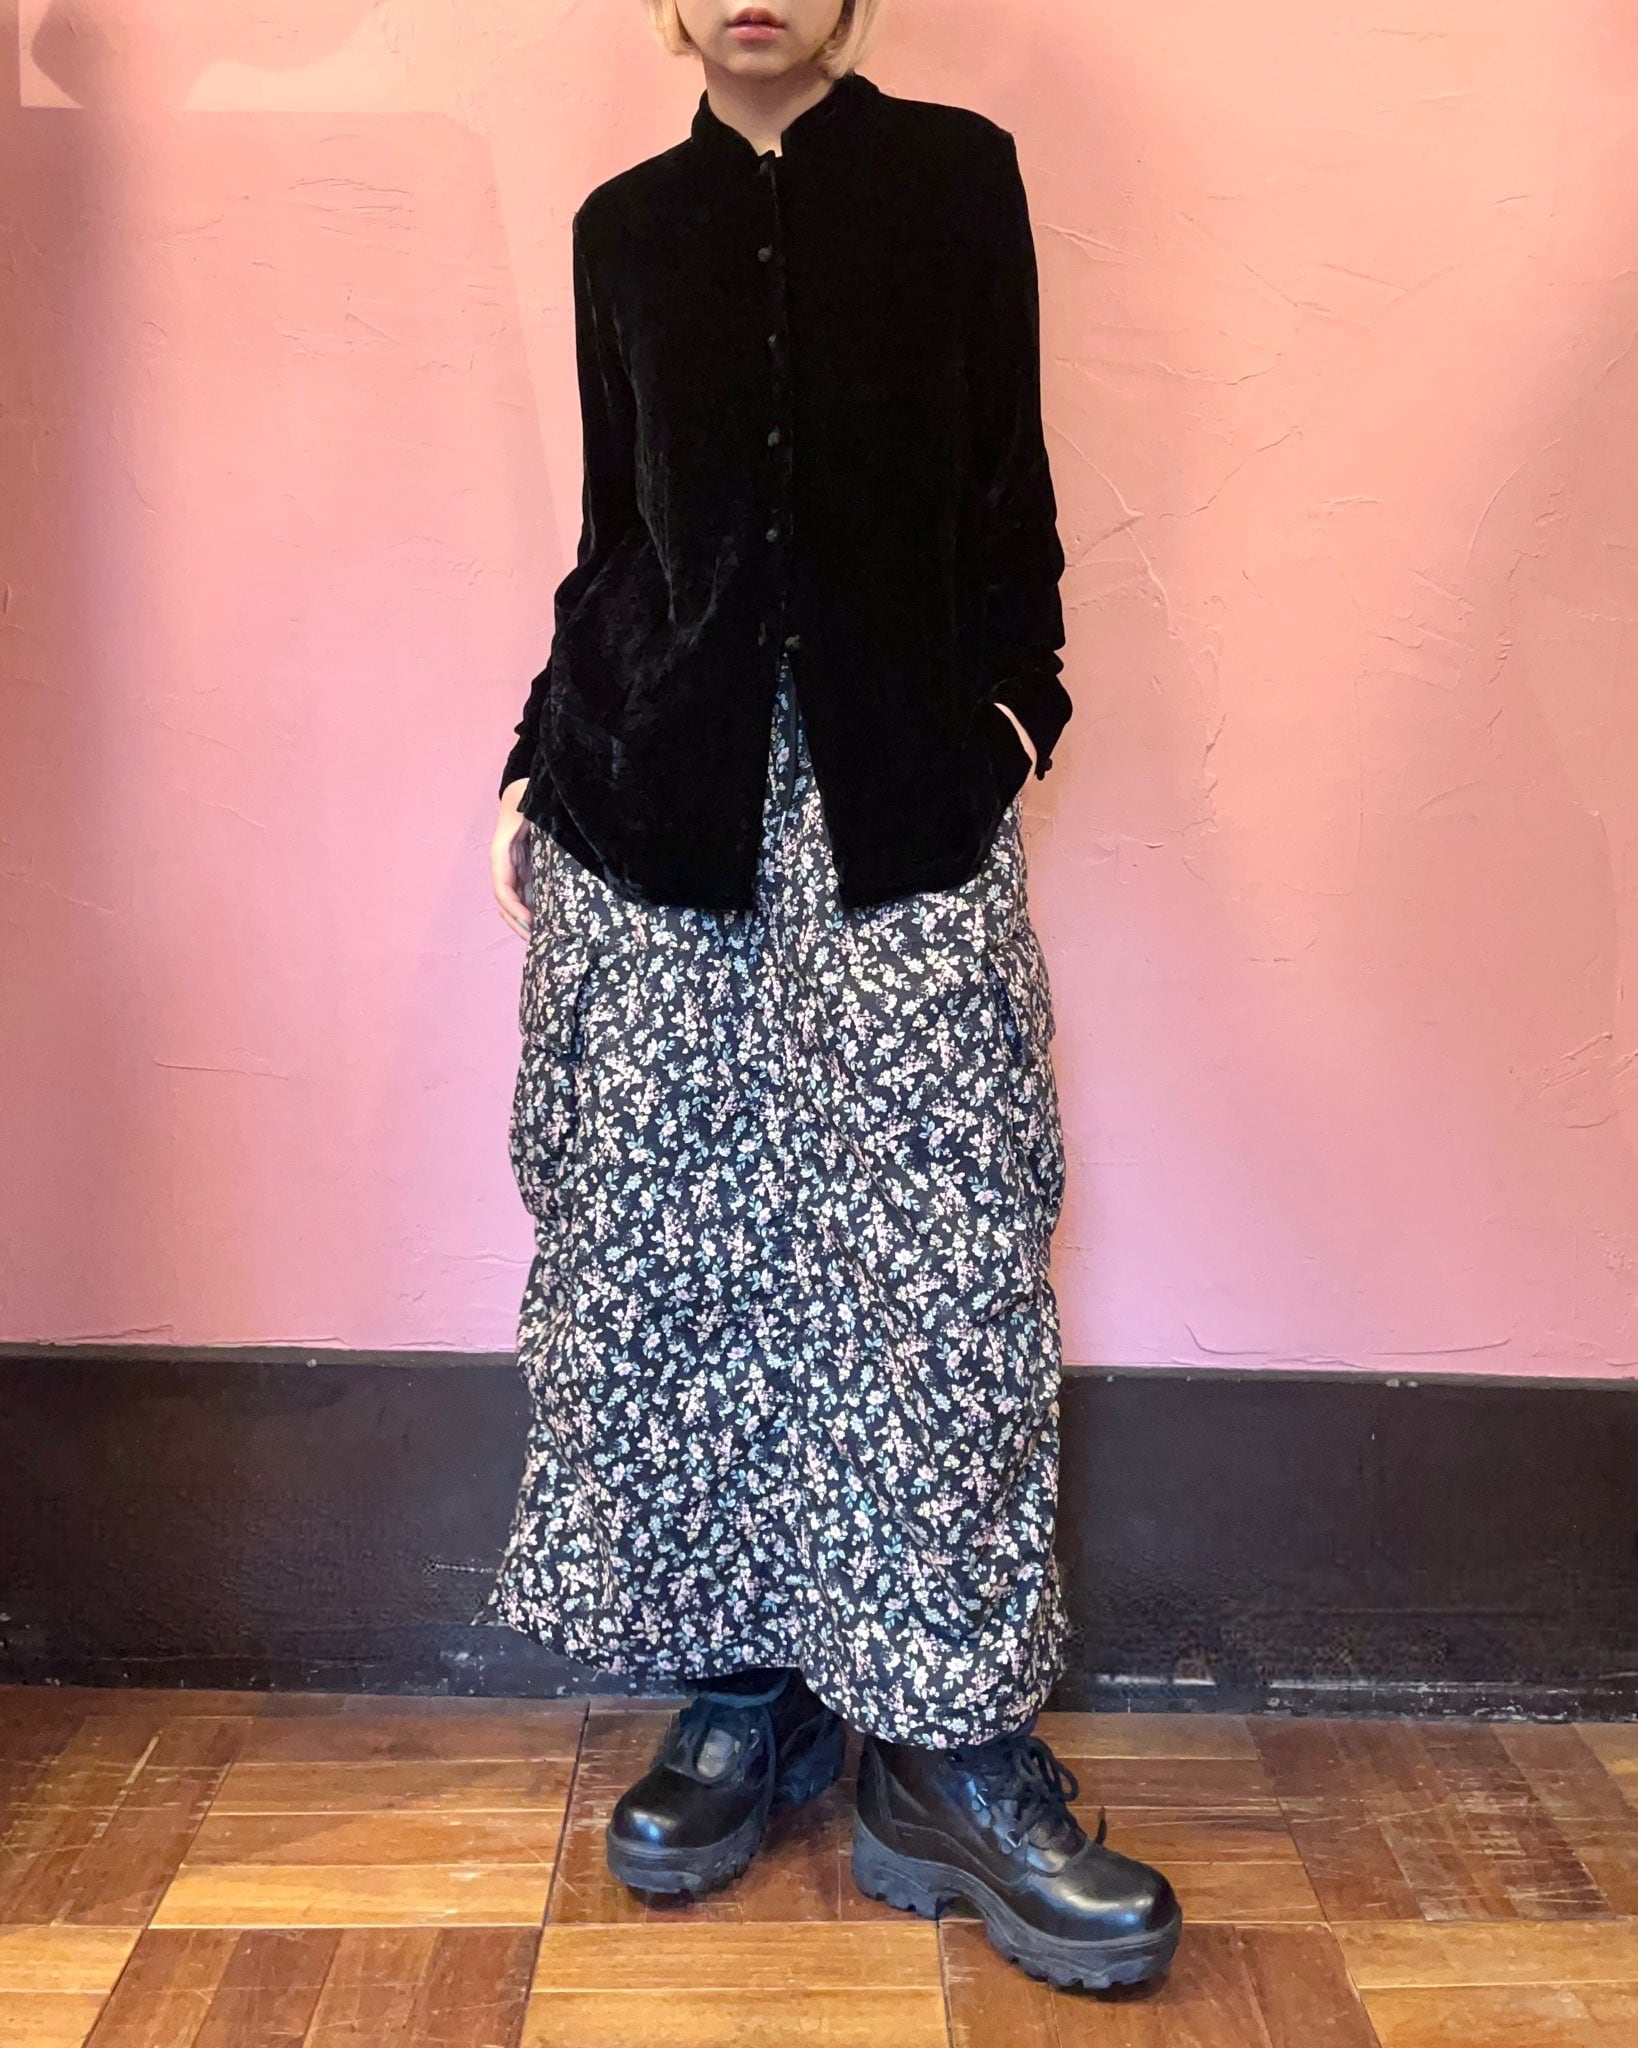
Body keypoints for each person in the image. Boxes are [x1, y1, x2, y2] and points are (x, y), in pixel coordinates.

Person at [477, 0, 1181, 1996]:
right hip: (654, 809)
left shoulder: (955, 179)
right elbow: (620, 543)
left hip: (894, 805)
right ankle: (748, 1689)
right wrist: (533, 762)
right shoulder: (626, 228)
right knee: (686, 1246)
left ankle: (946, 1742)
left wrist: (1010, 722)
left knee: (935, 1254)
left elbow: (1007, 500)